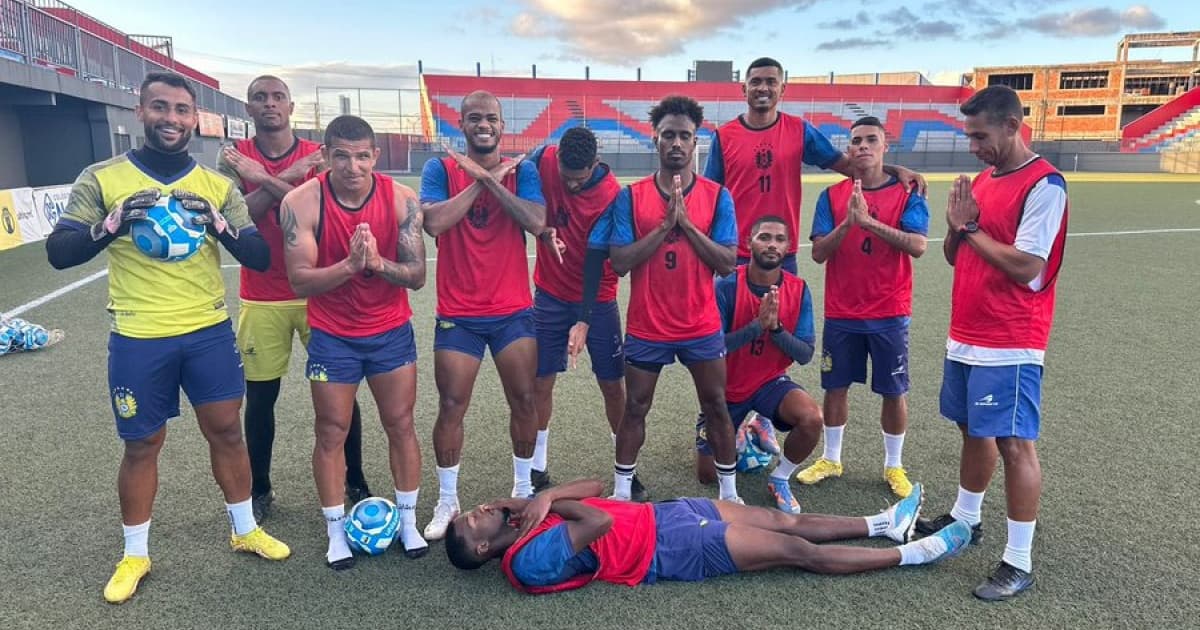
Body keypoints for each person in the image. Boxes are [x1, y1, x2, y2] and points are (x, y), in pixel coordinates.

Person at [45, 72, 290, 604]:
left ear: (193, 118)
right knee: (141, 445)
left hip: (207, 331)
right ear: (140, 112)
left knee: (226, 432)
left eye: (181, 110)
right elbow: (60, 251)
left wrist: (219, 228)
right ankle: (135, 553)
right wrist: (108, 227)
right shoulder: (102, 177)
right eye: (160, 107)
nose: (171, 119)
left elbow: (260, 256)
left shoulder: (217, 187)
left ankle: (245, 529)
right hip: (138, 335)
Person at [916, 86, 1068, 601]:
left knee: (1013, 443)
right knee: (970, 430)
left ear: (1012, 125)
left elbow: (1028, 266)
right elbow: (955, 256)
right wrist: (955, 230)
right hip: (966, 335)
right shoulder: (982, 179)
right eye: (968, 135)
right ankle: (967, 518)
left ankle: (1018, 560)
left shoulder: (1045, 185)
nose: (973, 146)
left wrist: (971, 226)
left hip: (1012, 340)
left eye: (980, 135)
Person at [216, 75, 371, 523]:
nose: (270, 104)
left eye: (278, 97)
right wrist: (285, 179)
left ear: (291, 106)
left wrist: (262, 178)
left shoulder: (320, 156)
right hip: (260, 294)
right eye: (260, 98)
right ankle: (260, 488)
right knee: (261, 398)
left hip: (319, 290)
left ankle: (355, 479)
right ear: (248, 108)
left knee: (341, 397)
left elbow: (327, 208)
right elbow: (239, 218)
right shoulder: (234, 159)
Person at [280, 115, 429, 569]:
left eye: (362, 156)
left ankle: (407, 523)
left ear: (375, 157)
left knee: (400, 424)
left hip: (389, 332)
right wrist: (350, 265)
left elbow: (418, 276)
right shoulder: (300, 202)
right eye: (341, 156)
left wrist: (378, 264)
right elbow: (300, 281)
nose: (353, 166)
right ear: (325, 156)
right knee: (330, 431)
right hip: (333, 337)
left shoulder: (403, 200)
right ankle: (335, 531)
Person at [583, 95, 741, 503]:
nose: (676, 143)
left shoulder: (717, 196)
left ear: (695, 142)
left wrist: (686, 224)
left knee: (717, 406)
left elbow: (726, 263)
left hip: (700, 324)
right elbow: (618, 262)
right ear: (655, 139)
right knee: (634, 407)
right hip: (648, 325)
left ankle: (730, 494)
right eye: (668, 134)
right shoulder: (630, 198)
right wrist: (663, 226)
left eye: (684, 136)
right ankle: (621, 493)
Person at [443, 478, 971, 593]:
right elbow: (598, 521)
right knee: (795, 551)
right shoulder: (528, 560)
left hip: (664, 514)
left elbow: (601, 487)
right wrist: (546, 502)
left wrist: (540, 496)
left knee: (783, 521)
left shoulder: (529, 518)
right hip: (665, 551)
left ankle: (883, 524)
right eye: (475, 519)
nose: (484, 508)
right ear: (485, 548)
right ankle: (912, 554)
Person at [419, 91, 547, 540]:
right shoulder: (440, 169)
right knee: (452, 406)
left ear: (501, 123)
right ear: (462, 124)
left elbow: (534, 221)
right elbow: (434, 223)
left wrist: (494, 180)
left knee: (524, 401)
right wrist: (481, 178)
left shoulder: (524, 171)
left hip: (513, 311)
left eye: (490, 118)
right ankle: (447, 499)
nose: (483, 124)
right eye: (474, 118)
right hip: (459, 313)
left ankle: (523, 489)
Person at [798, 116, 930, 498]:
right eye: (856, 141)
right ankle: (832, 458)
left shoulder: (909, 193)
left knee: (893, 391)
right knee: (835, 386)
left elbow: (918, 246)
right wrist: (848, 225)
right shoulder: (831, 197)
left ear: (885, 146)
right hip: (842, 312)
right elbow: (820, 252)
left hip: (889, 311)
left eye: (871, 140)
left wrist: (869, 223)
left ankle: (893, 466)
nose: (862, 147)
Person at [704, 57, 926, 274]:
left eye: (771, 82)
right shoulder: (724, 136)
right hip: (737, 252)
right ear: (744, 89)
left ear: (782, 89)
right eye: (756, 82)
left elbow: (848, 165)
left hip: (781, 252)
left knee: (783, 311)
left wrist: (894, 170)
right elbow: (709, 196)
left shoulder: (799, 130)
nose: (763, 88)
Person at [695, 216, 823, 514]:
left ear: (789, 247)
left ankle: (779, 479)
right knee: (706, 476)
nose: (772, 245)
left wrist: (776, 329)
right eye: (764, 237)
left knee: (812, 418)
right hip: (724, 388)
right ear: (749, 243)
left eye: (779, 239)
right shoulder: (725, 285)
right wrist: (756, 327)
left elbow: (804, 354)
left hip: (769, 382)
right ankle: (740, 428)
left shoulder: (798, 289)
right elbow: (711, 347)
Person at [527, 127, 626, 491]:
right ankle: (537, 467)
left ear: (595, 165)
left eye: (578, 179)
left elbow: (598, 261)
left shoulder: (612, 195)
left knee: (613, 385)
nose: (569, 186)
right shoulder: (544, 158)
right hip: (550, 293)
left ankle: (625, 467)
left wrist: (584, 319)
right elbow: (526, 197)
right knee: (540, 380)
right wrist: (542, 232)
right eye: (565, 178)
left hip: (598, 297)